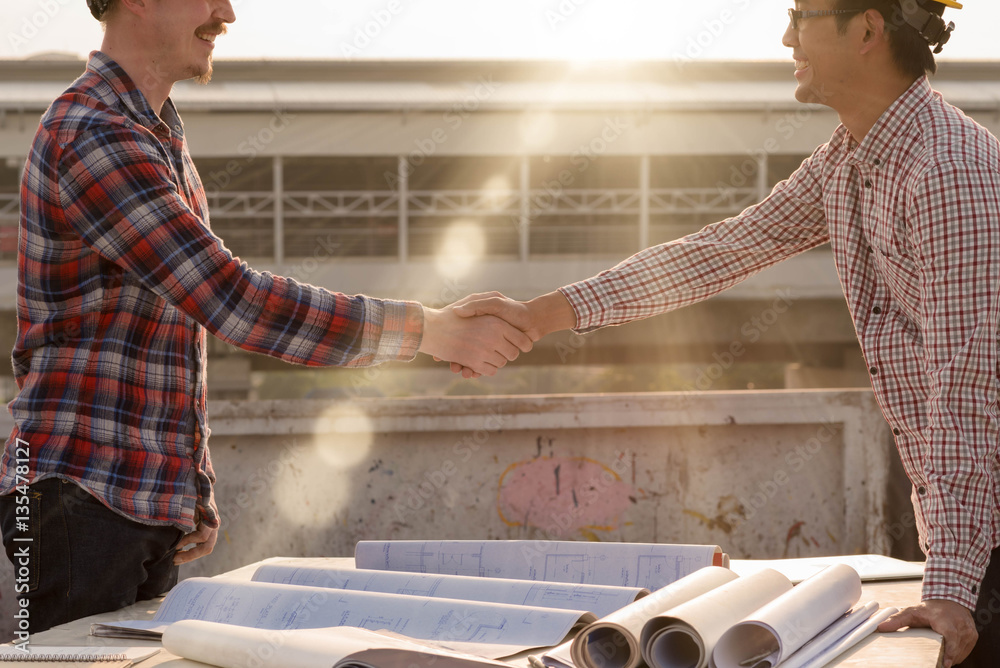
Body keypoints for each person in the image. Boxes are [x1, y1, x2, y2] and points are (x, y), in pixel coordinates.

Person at [454, 2, 1000, 666]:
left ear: (866, 30)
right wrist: (543, 315)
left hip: (980, 547)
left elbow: (969, 391)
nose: (785, 36)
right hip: (972, 538)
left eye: (804, 16)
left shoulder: (949, 171)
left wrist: (950, 586)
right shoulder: (850, 160)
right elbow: (722, 250)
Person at [0, 0, 532, 632]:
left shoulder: (150, 131)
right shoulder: (96, 133)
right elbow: (235, 302)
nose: (226, 12)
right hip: (78, 495)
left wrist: (186, 486)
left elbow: (161, 340)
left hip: (119, 497)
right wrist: (430, 328)